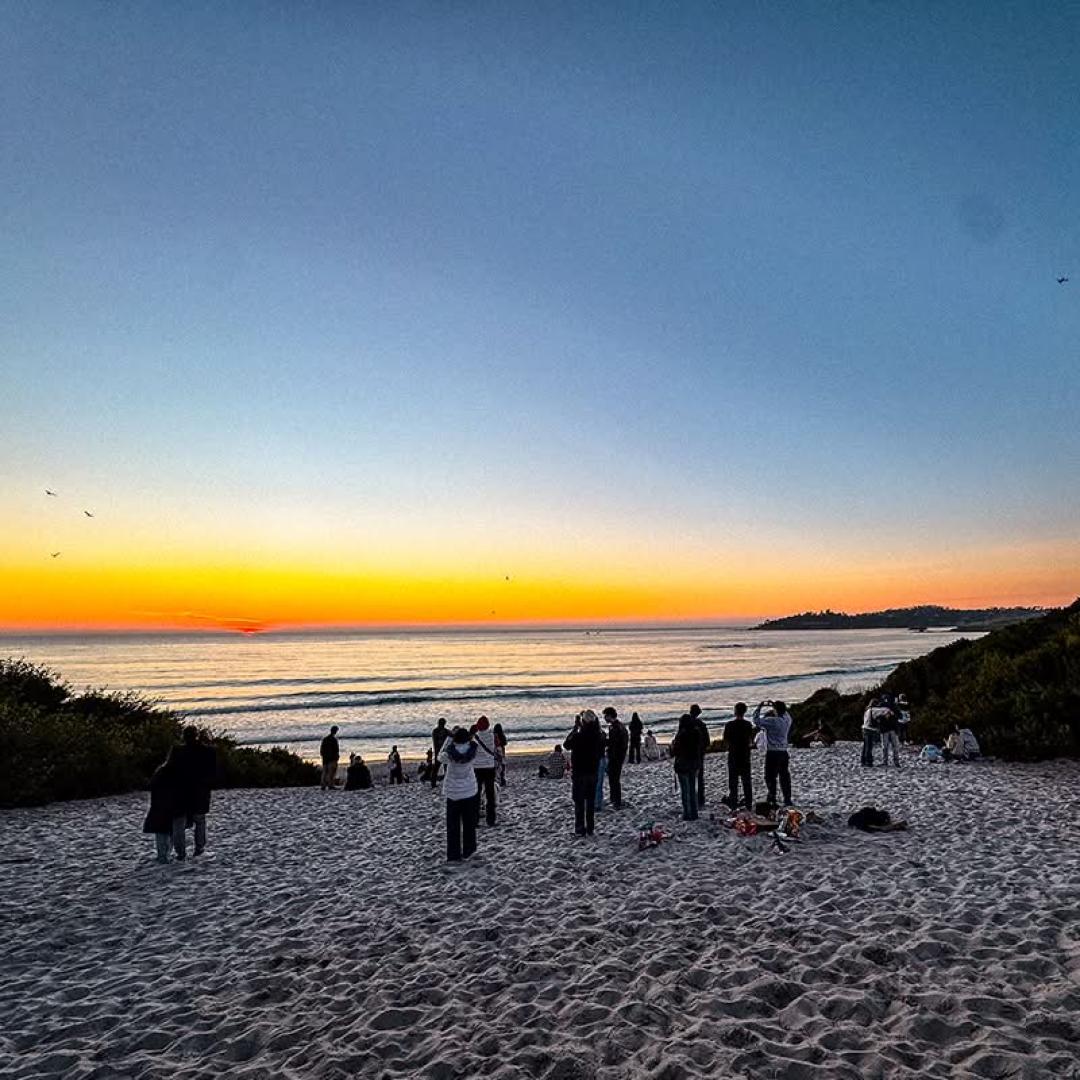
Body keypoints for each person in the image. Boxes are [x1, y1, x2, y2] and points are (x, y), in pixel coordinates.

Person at [169, 725, 216, 859]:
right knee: (200, 820)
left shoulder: (177, 751)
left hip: (180, 790)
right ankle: (199, 849)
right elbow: (212, 770)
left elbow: (170, 770)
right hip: (199, 790)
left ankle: (181, 853)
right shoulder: (207, 751)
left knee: (179, 821)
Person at [439, 727, 479, 862]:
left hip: (453, 792)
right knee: (469, 824)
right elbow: (472, 741)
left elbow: (440, 757)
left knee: (453, 825)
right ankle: (469, 850)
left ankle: (454, 854)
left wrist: (449, 739)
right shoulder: (473, 750)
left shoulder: (449, 753)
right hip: (469, 789)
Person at [564, 710, 604, 836]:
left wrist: (575, 728)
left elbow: (566, 744)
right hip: (593, 771)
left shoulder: (578, 736)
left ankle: (580, 829)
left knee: (579, 802)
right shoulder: (599, 735)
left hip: (580, 772)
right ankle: (590, 828)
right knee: (590, 801)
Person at [752, 700, 793, 808]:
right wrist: (776, 705)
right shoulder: (787, 720)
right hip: (783, 752)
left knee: (770, 776)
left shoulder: (772, 721)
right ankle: (787, 798)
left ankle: (772, 796)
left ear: (775, 710)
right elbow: (786, 713)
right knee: (784, 776)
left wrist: (759, 707)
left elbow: (756, 720)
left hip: (773, 752)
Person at [143, 755, 180, 863]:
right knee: (168, 832)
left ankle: (163, 856)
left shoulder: (160, 772)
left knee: (162, 833)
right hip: (167, 807)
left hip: (158, 806)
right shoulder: (173, 773)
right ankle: (165, 855)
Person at [670, 713, 704, 821]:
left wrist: (673, 745)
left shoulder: (681, 734)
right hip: (694, 763)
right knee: (692, 789)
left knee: (685, 791)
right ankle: (694, 813)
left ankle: (687, 814)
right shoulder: (696, 732)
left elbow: (675, 751)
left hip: (683, 764)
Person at [723, 702, 754, 811]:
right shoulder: (748, 725)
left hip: (734, 755)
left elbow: (726, 742)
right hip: (745, 755)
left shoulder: (729, 725)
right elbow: (751, 741)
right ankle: (749, 803)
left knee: (733, 782)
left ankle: (733, 803)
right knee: (746, 781)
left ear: (735, 711)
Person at [472, 716, 498, 825]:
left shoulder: (474, 737)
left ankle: (475, 820)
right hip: (489, 767)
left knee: (476, 794)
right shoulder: (493, 735)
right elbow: (496, 747)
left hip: (477, 767)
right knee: (490, 794)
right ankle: (490, 820)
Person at [603, 707, 628, 809]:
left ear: (610, 715)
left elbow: (614, 744)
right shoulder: (619, 726)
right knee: (613, 779)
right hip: (618, 756)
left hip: (616, 757)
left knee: (614, 779)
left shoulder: (616, 728)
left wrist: (605, 741)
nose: (605, 718)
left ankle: (616, 801)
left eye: (606, 715)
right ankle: (614, 799)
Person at [689, 704, 711, 807]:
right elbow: (707, 741)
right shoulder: (702, 724)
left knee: (690, 777)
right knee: (700, 777)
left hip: (688, 754)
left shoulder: (685, 723)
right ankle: (701, 799)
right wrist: (702, 749)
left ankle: (691, 798)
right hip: (699, 753)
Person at [861, 700, 887, 767]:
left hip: (864, 729)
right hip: (870, 729)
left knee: (865, 746)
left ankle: (863, 761)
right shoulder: (874, 710)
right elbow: (884, 710)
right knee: (869, 747)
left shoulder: (867, 710)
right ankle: (869, 762)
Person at [320, 725, 340, 790]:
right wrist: (336, 757)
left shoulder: (325, 739)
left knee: (325, 772)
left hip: (325, 758)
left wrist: (323, 756)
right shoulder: (334, 740)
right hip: (332, 758)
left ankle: (323, 785)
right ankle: (330, 785)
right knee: (331, 772)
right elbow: (336, 750)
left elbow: (321, 749)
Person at [431, 718, 449, 788]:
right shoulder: (445, 731)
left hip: (439, 751)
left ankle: (433, 783)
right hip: (442, 751)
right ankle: (446, 782)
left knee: (437, 768)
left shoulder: (435, 731)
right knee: (444, 767)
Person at [493, 722, 509, 788]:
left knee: (496, 767)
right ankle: (503, 780)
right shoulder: (502, 735)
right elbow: (505, 743)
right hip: (502, 751)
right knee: (502, 766)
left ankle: (497, 780)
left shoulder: (494, 735)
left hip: (496, 752)